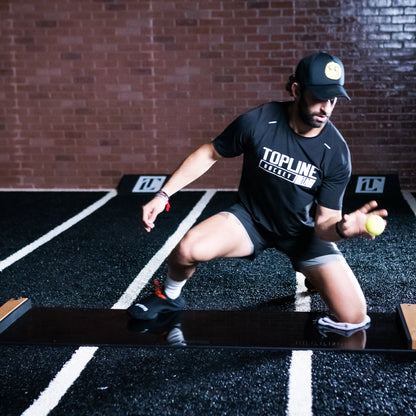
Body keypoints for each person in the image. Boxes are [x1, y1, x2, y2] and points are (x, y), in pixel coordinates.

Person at [128, 52, 388, 329]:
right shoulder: (260, 121)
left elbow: (325, 224)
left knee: (355, 317)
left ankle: (312, 272)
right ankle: (169, 296)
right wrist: (163, 194)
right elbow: (209, 153)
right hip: (251, 220)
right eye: (319, 97)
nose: (327, 108)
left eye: (333, 99)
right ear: (297, 90)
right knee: (187, 249)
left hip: (303, 233)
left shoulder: (335, 153)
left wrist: (342, 229)